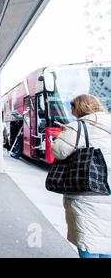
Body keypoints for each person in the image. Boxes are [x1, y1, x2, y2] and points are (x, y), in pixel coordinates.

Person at [51, 94, 111, 258]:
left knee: (88, 239)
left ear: (78, 108)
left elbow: (58, 151)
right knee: (106, 240)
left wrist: (65, 132)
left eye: (73, 109)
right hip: (108, 190)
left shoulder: (77, 127)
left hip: (86, 191)